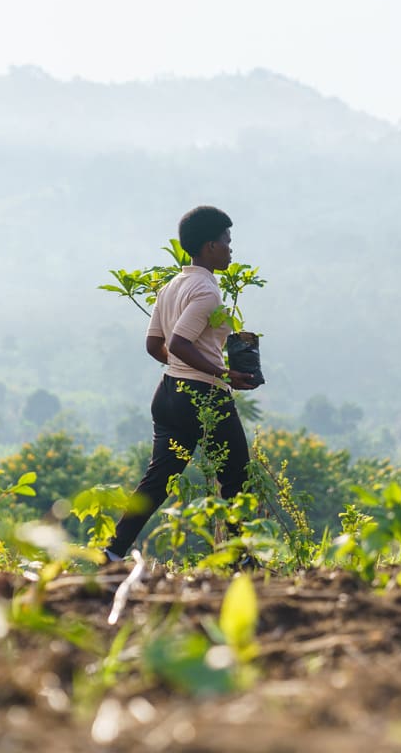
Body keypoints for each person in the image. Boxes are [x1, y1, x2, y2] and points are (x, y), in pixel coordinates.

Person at [107, 206, 257, 561]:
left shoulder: (172, 285)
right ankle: (241, 558)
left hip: (168, 394)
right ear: (210, 247)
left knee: (156, 482)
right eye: (227, 242)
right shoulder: (206, 291)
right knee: (237, 477)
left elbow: (154, 346)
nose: (231, 250)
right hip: (203, 397)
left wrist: (183, 366)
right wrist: (222, 373)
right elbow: (178, 343)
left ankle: (112, 552)